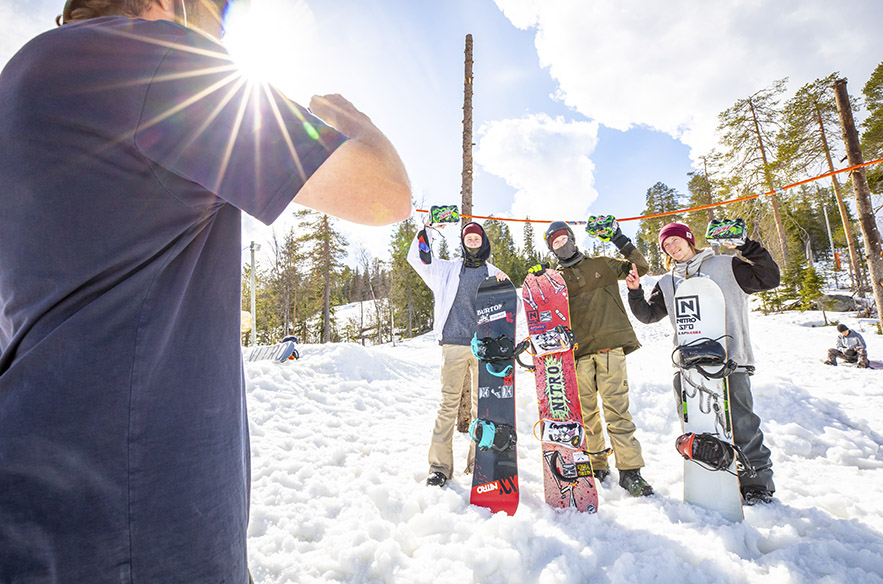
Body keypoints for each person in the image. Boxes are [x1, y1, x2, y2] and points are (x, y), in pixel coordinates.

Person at [0, 1, 410, 582]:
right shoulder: (159, 62)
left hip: (30, 496)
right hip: (142, 516)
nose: (220, 24)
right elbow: (384, 192)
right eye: (217, 8)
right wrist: (353, 122)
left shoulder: (20, 80)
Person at [626, 222, 779, 505]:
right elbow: (648, 316)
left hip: (731, 362)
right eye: (666, 245)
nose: (671, 248)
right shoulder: (667, 281)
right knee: (698, 425)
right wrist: (635, 291)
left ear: (689, 240)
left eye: (674, 240)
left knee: (742, 425)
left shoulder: (726, 266)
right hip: (688, 370)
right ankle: (710, 477)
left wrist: (747, 246)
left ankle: (756, 483)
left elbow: (769, 278)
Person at [540, 219, 654, 497]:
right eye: (555, 243)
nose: (561, 245)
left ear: (573, 239)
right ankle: (596, 463)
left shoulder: (603, 264)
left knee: (617, 412)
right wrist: (538, 280)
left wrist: (618, 238)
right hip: (577, 356)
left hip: (609, 349)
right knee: (586, 415)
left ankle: (630, 472)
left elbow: (641, 266)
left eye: (563, 239)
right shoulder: (556, 280)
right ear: (552, 250)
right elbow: (542, 311)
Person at [407, 220, 509, 487]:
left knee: (482, 408)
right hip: (453, 343)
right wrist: (427, 229)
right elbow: (419, 259)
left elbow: (513, 306)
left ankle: (479, 464)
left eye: (477, 238)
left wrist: (504, 287)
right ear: (463, 242)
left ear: (483, 242)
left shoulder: (494, 272)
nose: (472, 241)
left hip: (484, 347)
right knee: (447, 406)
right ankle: (439, 467)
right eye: (468, 238)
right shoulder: (448, 270)